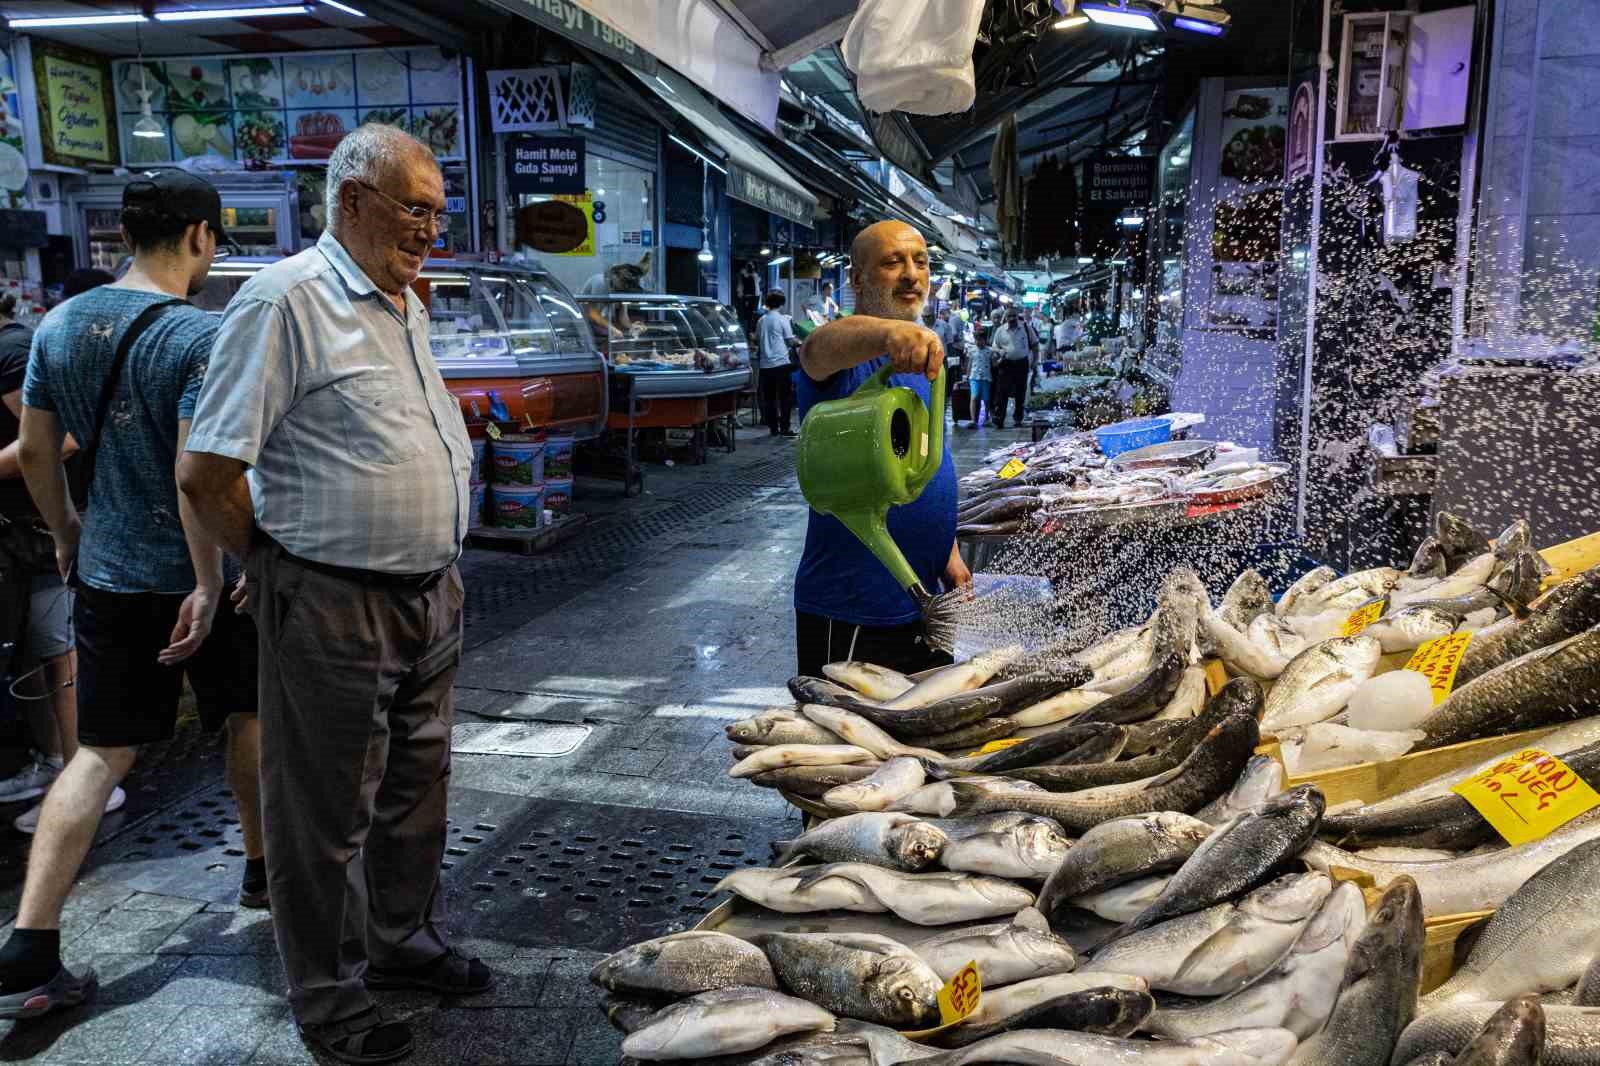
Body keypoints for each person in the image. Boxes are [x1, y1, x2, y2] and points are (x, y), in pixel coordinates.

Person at [177, 124, 486, 1066]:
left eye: (438, 209)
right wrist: (272, 564)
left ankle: (403, 944)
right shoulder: (286, 302)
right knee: (322, 813)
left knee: (415, 792)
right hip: (331, 600)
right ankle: (328, 997)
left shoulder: (402, 305)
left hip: (429, 594)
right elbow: (207, 470)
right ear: (352, 199)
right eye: (414, 207)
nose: (431, 227)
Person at [0, 169, 265, 1018]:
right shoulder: (200, 334)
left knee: (99, 754)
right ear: (198, 236)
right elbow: (199, 476)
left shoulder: (57, 325)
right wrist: (208, 576)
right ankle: (262, 872)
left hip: (107, 575)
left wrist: (69, 531)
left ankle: (31, 943)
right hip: (204, 583)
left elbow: (38, 452)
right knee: (248, 718)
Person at [791, 221, 969, 677]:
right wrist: (888, 335)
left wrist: (945, 547)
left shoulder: (919, 359)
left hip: (925, 600)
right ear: (857, 280)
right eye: (893, 263)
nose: (911, 274)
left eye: (921, 262)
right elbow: (815, 349)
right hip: (853, 609)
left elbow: (921, 458)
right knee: (851, 743)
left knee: (919, 738)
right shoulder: (848, 360)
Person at [0, 290, 95, 833]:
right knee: (40, 654)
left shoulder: (13, 348)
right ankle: (52, 767)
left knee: (60, 654)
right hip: (29, 532)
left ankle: (80, 781)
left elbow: (58, 440)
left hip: (44, 528)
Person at [757, 290, 799, 437]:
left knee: (769, 399)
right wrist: (800, 342)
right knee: (785, 397)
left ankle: (773, 429)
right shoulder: (782, 320)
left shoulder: (761, 320)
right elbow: (790, 340)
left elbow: (758, 339)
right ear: (781, 304)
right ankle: (785, 428)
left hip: (765, 365)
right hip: (781, 363)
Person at [991, 308, 1031, 428]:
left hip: (1021, 364)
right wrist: (1000, 352)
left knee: (1020, 391)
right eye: (1009, 316)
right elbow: (994, 346)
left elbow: (1034, 345)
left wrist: (1033, 362)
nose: (1012, 318)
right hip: (1006, 363)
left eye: (1014, 316)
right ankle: (999, 418)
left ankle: (1018, 418)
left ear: (1017, 316)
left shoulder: (1026, 328)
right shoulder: (1000, 330)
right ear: (1006, 318)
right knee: (1002, 391)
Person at [965, 326, 994, 429]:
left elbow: (993, 364)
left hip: (986, 378)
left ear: (985, 340)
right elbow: (969, 364)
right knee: (974, 397)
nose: (978, 342)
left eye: (981, 340)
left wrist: (1000, 359)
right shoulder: (972, 350)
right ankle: (973, 420)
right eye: (977, 340)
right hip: (974, 377)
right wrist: (967, 376)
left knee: (986, 399)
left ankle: (987, 418)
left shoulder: (990, 351)